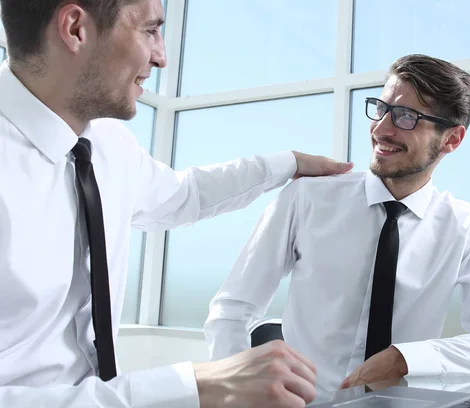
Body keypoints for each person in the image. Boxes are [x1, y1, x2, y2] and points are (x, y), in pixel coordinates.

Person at [0, 1, 354, 407]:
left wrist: (286, 164)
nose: (162, 56)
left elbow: (183, 195)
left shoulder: (108, 146)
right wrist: (194, 387)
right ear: (76, 28)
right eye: (149, 30)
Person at [205, 54, 470, 395]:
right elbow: (233, 309)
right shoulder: (308, 197)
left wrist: (407, 358)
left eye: (406, 117)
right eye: (381, 108)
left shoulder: (469, 229)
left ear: (451, 139)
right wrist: (238, 395)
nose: (381, 128)